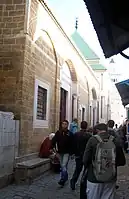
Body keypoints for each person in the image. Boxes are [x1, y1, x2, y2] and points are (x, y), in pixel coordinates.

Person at [83, 123, 126, 199]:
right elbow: (122, 161)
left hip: (94, 178)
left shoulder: (92, 140)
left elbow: (85, 159)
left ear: (97, 130)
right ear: (106, 130)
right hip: (110, 178)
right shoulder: (115, 141)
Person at [51, 120, 73, 186]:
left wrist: (72, 153)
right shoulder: (58, 133)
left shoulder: (70, 134)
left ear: (67, 125)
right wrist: (53, 150)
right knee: (63, 166)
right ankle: (65, 177)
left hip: (67, 153)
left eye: (65, 124)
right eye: (63, 124)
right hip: (59, 152)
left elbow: (72, 144)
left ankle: (62, 179)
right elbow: (53, 141)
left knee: (63, 165)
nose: (64, 125)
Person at [70, 121, 91, 190]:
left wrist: (73, 153)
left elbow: (73, 144)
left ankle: (73, 181)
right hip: (86, 156)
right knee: (86, 170)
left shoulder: (76, 134)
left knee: (78, 169)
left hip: (78, 154)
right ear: (86, 126)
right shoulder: (89, 135)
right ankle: (83, 182)